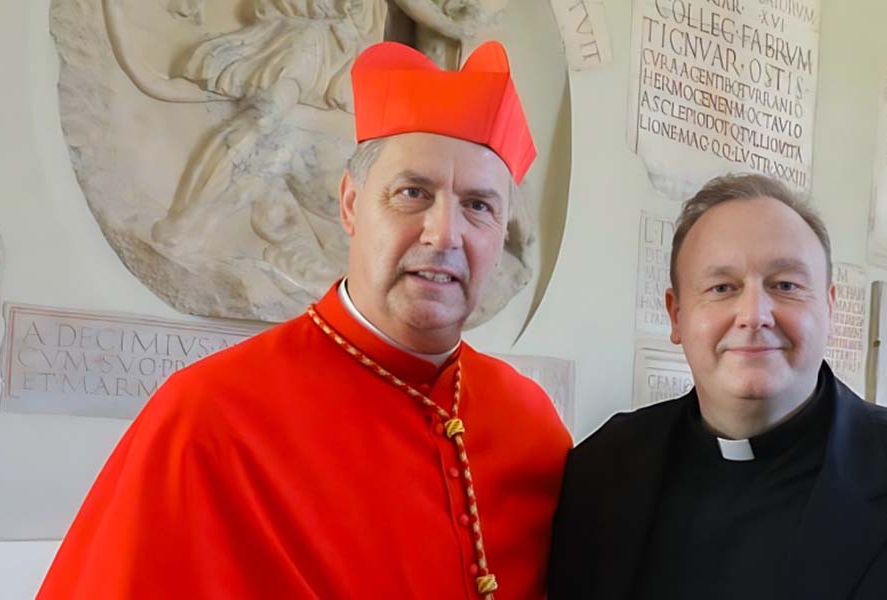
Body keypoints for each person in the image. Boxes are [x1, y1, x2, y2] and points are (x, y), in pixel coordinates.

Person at [38, 40, 571, 600]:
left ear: (501, 232)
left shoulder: (531, 426)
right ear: (350, 204)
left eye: (479, 206)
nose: (444, 235)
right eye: (413, 193)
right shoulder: (207, 418)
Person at [548, 174, 887, 599]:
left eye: (786, 286)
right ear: (676, 314)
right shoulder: (602, 473)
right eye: (722, 287)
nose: (754, 314)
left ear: (829, 308)